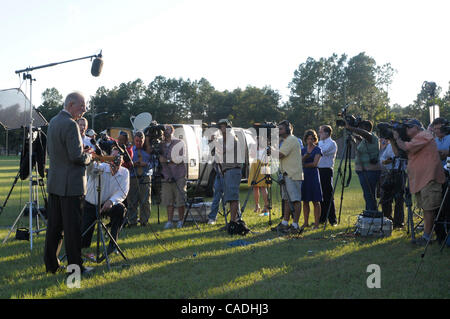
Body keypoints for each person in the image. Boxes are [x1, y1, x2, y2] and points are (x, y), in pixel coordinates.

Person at [44, 92, 94, 275]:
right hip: (71, 186)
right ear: (71, 104)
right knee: (72, 229)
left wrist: (81, 151)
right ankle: (75, 268)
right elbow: (76, 157)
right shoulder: (71, 124)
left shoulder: (53, 122)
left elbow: (59, 152)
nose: (84, 110)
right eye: (82, 106)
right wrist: (88, 156)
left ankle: (51, 265)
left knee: (54, 228)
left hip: (55, 183)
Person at [393, 119, 446, 245]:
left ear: (416, 127)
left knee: (429, 208)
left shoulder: (424, 135)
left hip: (429, 178)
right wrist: (393, 139)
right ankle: (428, 235)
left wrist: (396, 138)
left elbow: (406, 147)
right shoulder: (418, 139)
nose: (406, 130)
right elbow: (402, 152)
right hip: (422, 179)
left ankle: (427, 236)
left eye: (408, 127)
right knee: (426, 208)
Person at [81, 148, 129, 256]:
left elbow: (123, 192)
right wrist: (92, 159)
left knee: (121, 210)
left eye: (118, 158)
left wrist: (111, 201)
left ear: (122, 160)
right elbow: (90, 171)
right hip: (91, 204)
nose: (115, 161)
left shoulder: (125, 172)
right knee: (83, 242)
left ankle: (113, 245)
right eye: (113, 157)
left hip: (108, 204)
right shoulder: (101, 167)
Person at [273, 120, 304, 234]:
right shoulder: (287, 140)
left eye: (280, 129)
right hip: (287, 174)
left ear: (288, 129)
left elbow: (280, 155)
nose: (279, 131)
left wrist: (269, 150)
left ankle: (295, 225)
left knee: (295, 200)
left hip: (292, 174)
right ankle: (285, 223)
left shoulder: (291, 139)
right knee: (286, 200)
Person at [345, 120, 381, 211]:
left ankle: (372, 215)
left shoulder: (372, 137)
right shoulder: (365, 140)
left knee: (369, 195)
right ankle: (369, 214)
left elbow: (364, 134)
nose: (359, 129)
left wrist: (351, 128)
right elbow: (361, 143)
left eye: (361, 128)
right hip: (364, 171)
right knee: (368, 195)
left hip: (369, 171)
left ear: (367, 128)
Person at [214, 119, 243, 228]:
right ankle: (235, 220)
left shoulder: (231, 139)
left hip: (232, 170)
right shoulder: (224, 140)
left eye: (223, 127)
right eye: (220, 127)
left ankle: (233, 222)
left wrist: (215, 142)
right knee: (230, 197)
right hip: (228, 171)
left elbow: (225, 150)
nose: (221, 129)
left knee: (232, 197)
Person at [160, 125, 187, 229]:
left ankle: (181, 220)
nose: (165, 132)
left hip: (179, 174)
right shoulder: (161, 145)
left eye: (168, 129)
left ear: (172, 131)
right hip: (166, 175)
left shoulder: (179, 143)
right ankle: (169, 221)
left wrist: (167, 160)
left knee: (180, 198)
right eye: (164, 130)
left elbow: (180, 158)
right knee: (168, 199)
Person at [127, 131, 153, 227]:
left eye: (140, 141)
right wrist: (133, 164)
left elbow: (154, 163)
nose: (138, 143)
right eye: (137, 141)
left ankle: (144, 221)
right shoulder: (130, 151)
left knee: (145, 201)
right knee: (132, 200)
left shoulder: (148, 151)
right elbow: (126, 163)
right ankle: (132, 221)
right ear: (134, 140)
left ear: (143, 141)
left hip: (145, 177)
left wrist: (146, 164)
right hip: (133, 177)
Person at [379, 138, 405, 228]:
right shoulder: (389, 146)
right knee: (385, 197)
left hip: (401, 173)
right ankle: (387, 219)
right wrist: (385, 161)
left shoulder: (403, 144)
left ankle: (398, 223)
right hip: (390, 172)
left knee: (399, 199)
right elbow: (382, 158)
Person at [301, 129, 323, 229]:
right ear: (305, 139)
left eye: (312, 139)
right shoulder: (303, 150)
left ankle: (316, 224)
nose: (310, 141)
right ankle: (305, 222)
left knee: (316, 201)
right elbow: (299, 162)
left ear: (315, 139)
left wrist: (304, 164)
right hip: (304, 176)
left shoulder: (317, 149)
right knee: (305, 201)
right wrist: (304, 158)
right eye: (308, 139)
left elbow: (315, 164)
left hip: (313, 176)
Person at [317, 125, 338, 226]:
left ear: (326, 133)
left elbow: (321, 151)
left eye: (321, 132)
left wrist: (315, 149)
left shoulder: (332, 143)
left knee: (328, 195)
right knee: (321, 195)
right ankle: (322, 218)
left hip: (326, 170)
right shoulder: (320, 142)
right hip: (318, 169)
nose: (319, 134)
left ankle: (332, 219)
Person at [248, 135, 269, 214]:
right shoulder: (253, 148)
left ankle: (266, 206)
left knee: (263, 187)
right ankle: (257, 206)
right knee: (255, 187)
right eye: (257, 140)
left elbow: (267, 160)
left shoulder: (266, 149)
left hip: (263, 167)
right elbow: (251, 156)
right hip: (254, 167)